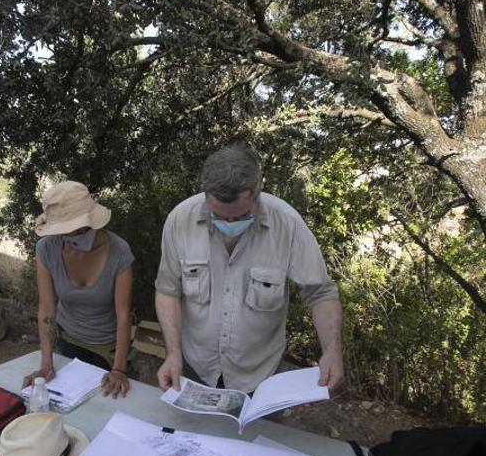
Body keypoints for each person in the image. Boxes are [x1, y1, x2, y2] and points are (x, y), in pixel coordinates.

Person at [155, 145, 344, 395]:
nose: (229, 224)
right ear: (206, 195)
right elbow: (168, 290)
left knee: (255, 435)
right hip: (195, 367)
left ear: (259, 190)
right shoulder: (180, 221)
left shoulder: (288, 225)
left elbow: (320, 294)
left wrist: (332, 350)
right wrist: (172, 353)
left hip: (261, 377)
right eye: (219, 216)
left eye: (242, 215)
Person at [23, 181, 134, 398]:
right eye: (68, 233)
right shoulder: (47, 249)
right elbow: (46, 310)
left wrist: (119, 369)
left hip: (107, 345)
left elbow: (124, 315)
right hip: (68, 338)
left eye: (82, 230)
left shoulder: (119, 251)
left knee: (106, 399)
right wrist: (46, 364)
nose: (76, 236)